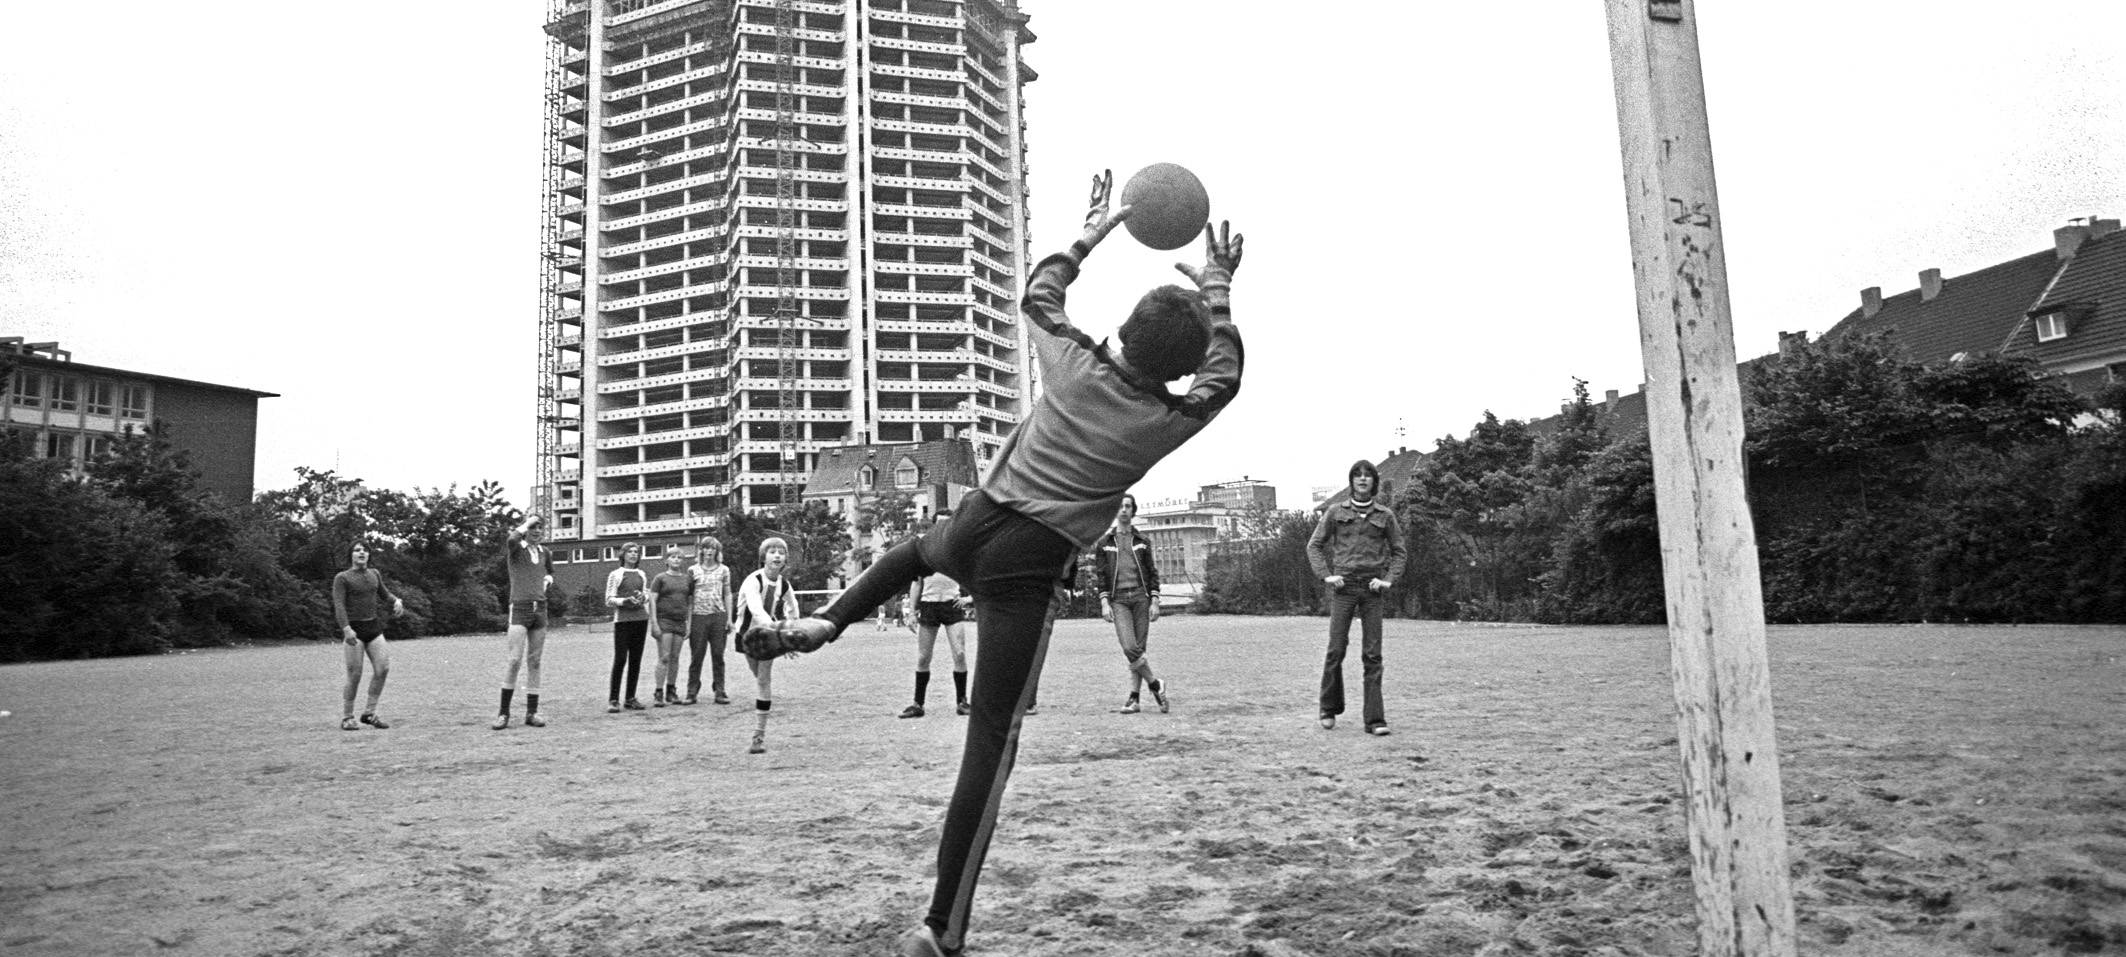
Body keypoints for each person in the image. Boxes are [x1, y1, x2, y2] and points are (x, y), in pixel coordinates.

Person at [749, 170, 1244, 957]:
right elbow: (1227, 377)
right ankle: (941, 929)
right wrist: (1218, 289)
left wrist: (1094, 227)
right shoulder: (1166, 416)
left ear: (1122, 327)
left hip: (975, 521)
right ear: (1178, 370)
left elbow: (1040, 294)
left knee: (913, 551)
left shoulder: (1074, 364)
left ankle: (825, 617)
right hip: (1028, 563)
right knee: (990, 742)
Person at [1306, 460, 1407, 736]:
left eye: (1367, 476)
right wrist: (1326, 575)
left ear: (1374, 482)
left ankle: (1374, 720)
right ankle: (1328, 708)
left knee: (1372, 655)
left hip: (1373, 590)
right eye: (1357, 475)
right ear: (1351, 481)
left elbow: (1399, 551)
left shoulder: (1385, 515)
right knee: (1335, 649)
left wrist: (1387, 580)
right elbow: (1314, 545)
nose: (1362, 480)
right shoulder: (1335, 512)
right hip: (1344, 589)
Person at [1092, 493, 1168, 715]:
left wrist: (1155, 601)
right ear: (1115, 511)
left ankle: (1134, 699)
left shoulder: (1142, 541)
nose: (1124, 510)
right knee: (1129, 647)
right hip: (1119, 601)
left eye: (1128, 506)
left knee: (1139, 649)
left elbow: (1152, 574)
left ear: (1132, 511)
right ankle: (1156, 685)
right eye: (1120, 506)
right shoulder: (1105, 544)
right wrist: (1105, 603)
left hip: (1140, 599)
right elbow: (1101, 576)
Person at [735, 537, 802, 754]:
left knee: (764, 679)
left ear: (785, 560)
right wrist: (780, 631)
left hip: (767, 635)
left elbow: (793, 607)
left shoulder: (784, 584)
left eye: (781, 552)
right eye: (772, 551)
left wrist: (789, 633)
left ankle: (758, 736)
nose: (777, 555)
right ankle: (763, 709)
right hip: (747, 634)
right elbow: (755, 609)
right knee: (758, 677)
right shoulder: (753, 580)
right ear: (764, 557)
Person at [900, 513, 971, 719]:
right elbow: (916, 582)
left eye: (947, 522)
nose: (943, 526)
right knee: (923, 657)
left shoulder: (959, 549)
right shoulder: (924, 549)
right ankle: (918, 704)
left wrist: (969, 599)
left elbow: (975, 574)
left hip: (951, 604)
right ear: (933, 525)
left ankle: (962, 701)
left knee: (959, 654)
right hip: (929, 605)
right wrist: (912, 612)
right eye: (939, 522)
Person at [331, 542, 403, 730]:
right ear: (351, 556)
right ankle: (347, 717)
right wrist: (346, 629)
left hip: (373, 627)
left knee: (383, 668)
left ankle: (369, 713)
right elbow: (339, 605)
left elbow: (384, 594)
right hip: (354, 630)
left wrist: (396, 600)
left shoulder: (374, 574)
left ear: (369, 555)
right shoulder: (342, 578)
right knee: (354, 674)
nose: (361, 553)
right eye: (357, 550)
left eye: (365, 550)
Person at [494, 516, 555, 730]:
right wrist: (527, 522)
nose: (537, 531)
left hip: (540, 609)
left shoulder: (545, 552)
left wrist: (547, 581)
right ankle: (503, 713)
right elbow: (511, 538)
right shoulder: (517, 549)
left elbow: (549, 572)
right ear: (526, 530)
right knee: (514, 660)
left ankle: (532, 712)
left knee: (535, 661)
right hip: (519, 607)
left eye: (540, 528)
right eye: (533, 528)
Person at [685, 537, 733, 705]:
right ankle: (691, 692)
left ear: (717, 552)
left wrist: (729, 618)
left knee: (718, 655)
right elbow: (689, 597)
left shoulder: (724, 570)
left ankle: (719, 690)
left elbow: (727, 593)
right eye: (706, 548)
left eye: (713, 548)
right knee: (696, 656)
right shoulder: (692, 570)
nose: (709, 551)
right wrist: (689, 622)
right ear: (701, 550)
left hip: (718, 616)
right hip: (698, 616)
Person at [605, 542, 652, 712]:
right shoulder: (616, 575)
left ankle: (630, 698)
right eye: (630, 552)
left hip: (640, 619)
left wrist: (642, 597)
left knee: (635, 660)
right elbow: (609, 599)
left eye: (636, 552)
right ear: (623, 555)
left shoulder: (641, 574)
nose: (633, 555)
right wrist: (624, 601)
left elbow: (646, 594)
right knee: (620, 659)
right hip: (623, 621)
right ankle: (613, 699)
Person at [648, 548, 694, 707]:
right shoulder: (660, 578)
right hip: (664, 621)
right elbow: (652, 600)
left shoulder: (687, 579)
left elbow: (690, 603)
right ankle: (658, 692)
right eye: (673, 557)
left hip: (680, 622)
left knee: (675, 657)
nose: (676, 560)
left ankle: (671, 691)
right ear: (667, 560)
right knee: (664, 657)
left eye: (679, 557)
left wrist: (689, 623)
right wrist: (654, 622)